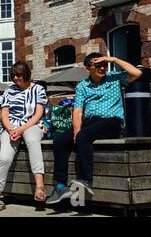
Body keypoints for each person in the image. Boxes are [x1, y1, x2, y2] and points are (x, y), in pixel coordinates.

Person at [46, 53, 142, 204]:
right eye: (98, 65)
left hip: (112, 121)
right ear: (87, 69)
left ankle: (86, 180)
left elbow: (137, 73)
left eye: (104, 64)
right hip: (89, 123)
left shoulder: (115, 78)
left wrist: (114, 60)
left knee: (84, 136)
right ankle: (60, 186)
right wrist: (76, 131)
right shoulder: (82, 86)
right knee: (59, 140)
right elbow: (77, 110)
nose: (102, 68)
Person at [0, 61, 48, 211]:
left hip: (32, 124)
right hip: (11, 126)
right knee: (4, 158)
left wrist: (22, 129)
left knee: (33, 141)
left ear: (26, 74)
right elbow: (4, 113)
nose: (16, 78)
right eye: (13, 76)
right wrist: (11, 129)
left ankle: (40, 187)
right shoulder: (9, 90)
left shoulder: (38, 89)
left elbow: (38, 114)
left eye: (19, 75)